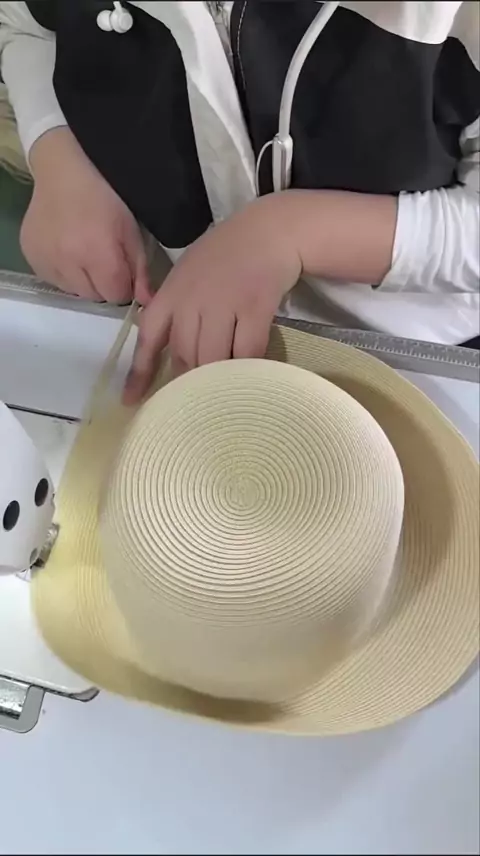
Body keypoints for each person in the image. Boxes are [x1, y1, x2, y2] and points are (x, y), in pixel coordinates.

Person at [0, 1, 478, 402]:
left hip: (419, 359)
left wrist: (289, 233)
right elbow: (24, 24)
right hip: (177, 326)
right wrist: (58, 157)